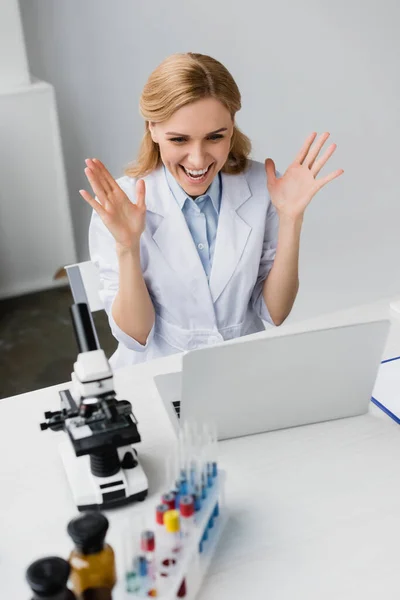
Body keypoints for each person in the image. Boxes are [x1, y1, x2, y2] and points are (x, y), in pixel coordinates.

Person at [82, 53, 343, 369]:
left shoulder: (265, 187)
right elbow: (136, 338)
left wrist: (291, 219)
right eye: (179, 139)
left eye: (215, 137)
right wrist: (127, 247)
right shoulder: (119, 203)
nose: (197, 159)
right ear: (152, 129)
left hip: (243, 368)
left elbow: (275, 313)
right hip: (158, 371)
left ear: (231, 126)